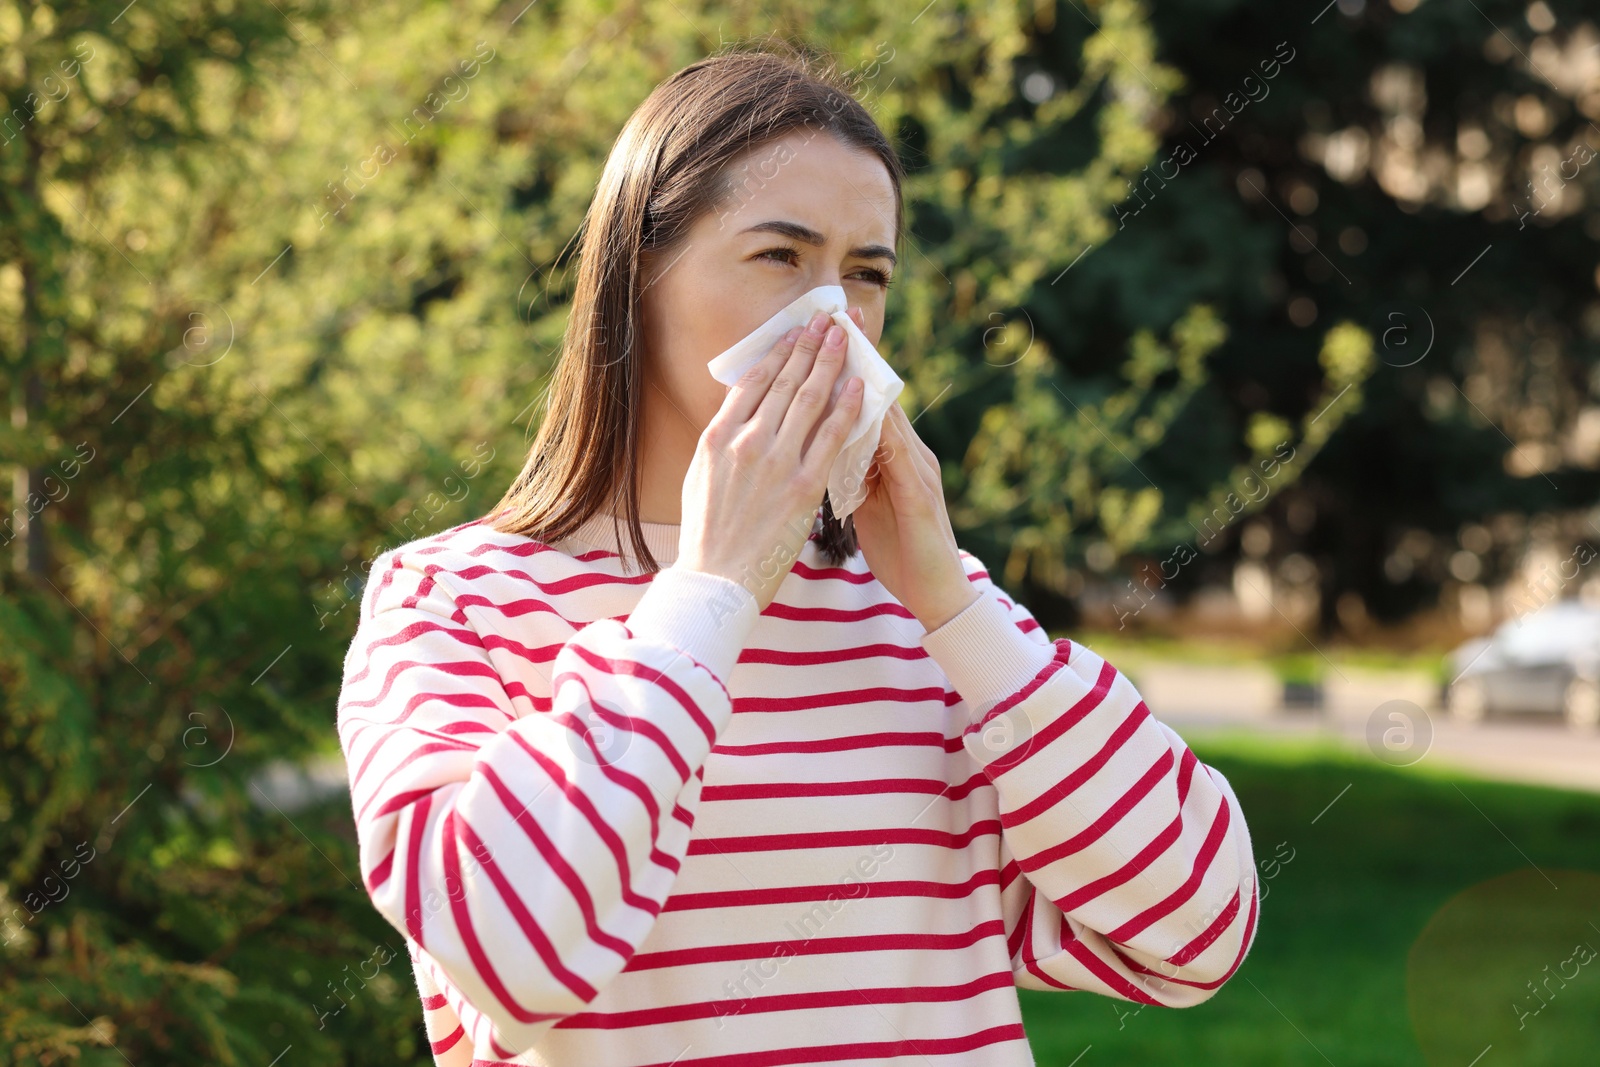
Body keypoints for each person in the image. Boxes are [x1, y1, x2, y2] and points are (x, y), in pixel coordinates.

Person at [336, 43, 1260, 1067]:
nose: (834, 320)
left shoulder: (931, 616)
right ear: (638, 272)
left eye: (865, 275)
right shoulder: (450, 600)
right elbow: (507, 949)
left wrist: (956, 608)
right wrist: (710, 595)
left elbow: (1197, 932)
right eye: (781, 256)